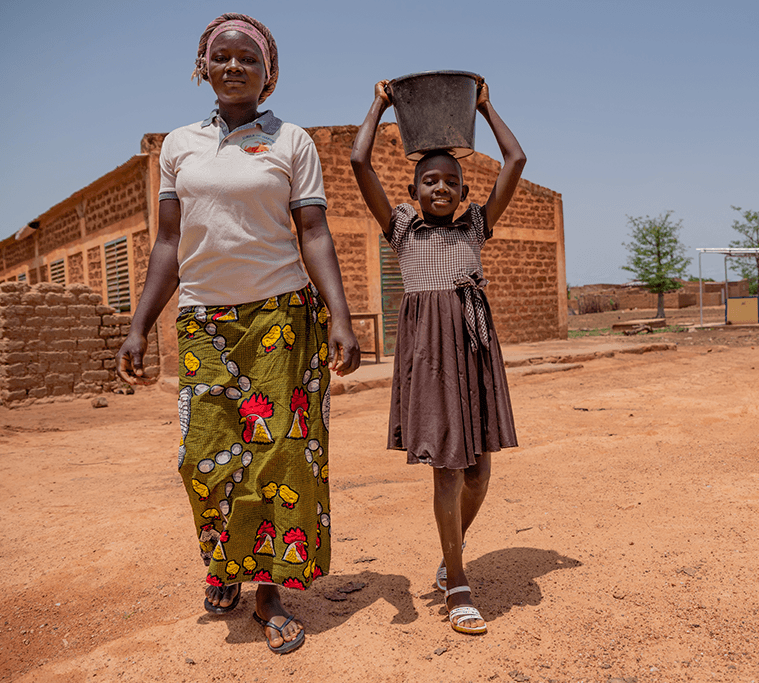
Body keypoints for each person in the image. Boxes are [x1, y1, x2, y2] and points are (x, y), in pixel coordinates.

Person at [116, 13, 360, 655]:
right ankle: (224, 563)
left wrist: (341, 314)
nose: (233, 67)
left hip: (281, 319)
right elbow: (169, 242)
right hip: (204, 321)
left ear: (267, 72)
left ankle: (269, 591)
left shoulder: (292, 142)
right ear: (204, 66)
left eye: (246, 59)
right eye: (220, 57)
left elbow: (313, 232)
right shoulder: (178, 145)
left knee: (279, 458)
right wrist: (141, 324)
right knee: (204, 459)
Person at [350, 78, 525, 635]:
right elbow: (358, 161)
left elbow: (516, 158)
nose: (442, 188)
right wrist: (379, 105)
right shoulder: (401, 228)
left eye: (452, 181)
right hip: (429, 354)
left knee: (479, 472)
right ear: (414, 189)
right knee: (447, 472)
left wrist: (484, 107)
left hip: (473, 349)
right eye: (431, 180)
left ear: (464, 191)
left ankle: (454, 545)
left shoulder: (476, 225)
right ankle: (457, 581)